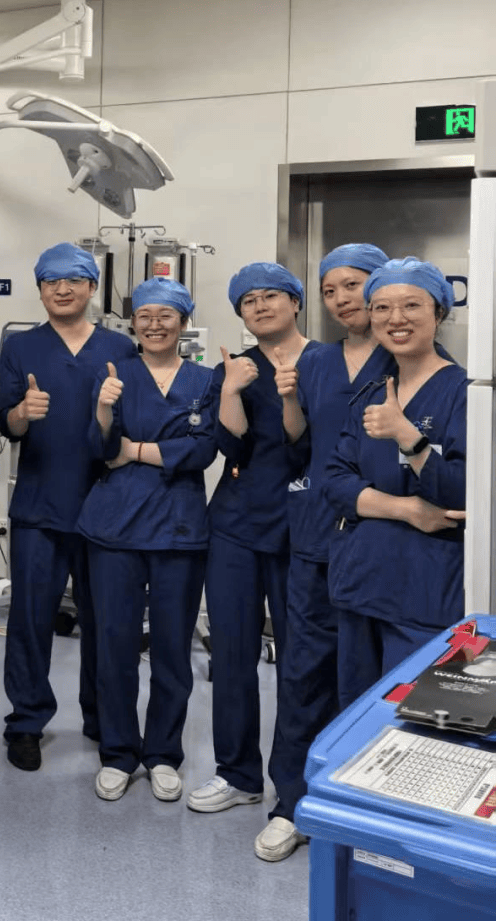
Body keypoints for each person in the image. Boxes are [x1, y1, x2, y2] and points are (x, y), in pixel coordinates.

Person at [256, 243, 390, 861]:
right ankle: (293, 802)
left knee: (372, 679)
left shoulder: (411, 357)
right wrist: (288, 397)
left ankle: (361, 809)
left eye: (352, 285)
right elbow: (299, 441)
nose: (341, 299)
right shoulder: (316, 361)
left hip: (383, 539)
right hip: (315, 533)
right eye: (330, 290)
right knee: (303, 671)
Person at [0, 242, 138, 771]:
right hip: (39, 506)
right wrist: (22, 413)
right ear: (39, 290)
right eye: (51, 281)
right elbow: (3, 422)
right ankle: (26, 722)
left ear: (92, 288)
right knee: (30, 620)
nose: (62, 289)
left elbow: (132, 420)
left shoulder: (119, 347)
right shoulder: (20, 347)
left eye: (73, 280)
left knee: (105, 622)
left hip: (104, 506)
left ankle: (102, 718)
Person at [75, 279, 216, 802]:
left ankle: (162, 754)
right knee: (113, 644)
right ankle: (117, 753)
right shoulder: (113, 374)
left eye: (166, 316)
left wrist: (134, 451)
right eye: (145, 316)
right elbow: (99, 449)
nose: (155, 325)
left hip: (178, 528)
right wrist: (104, 412)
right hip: (114, 528)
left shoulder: (205, 379)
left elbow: (204, 449)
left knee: (173, 648)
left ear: (183, 322)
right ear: (133, 322)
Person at [187, 262, 320, 816]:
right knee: (233, 654)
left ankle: (297, 786)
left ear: (296, 301)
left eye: (271, 296)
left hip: (300, 527)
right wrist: (230, 391)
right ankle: (237, 773)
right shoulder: (234, 368)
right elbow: (232, 448)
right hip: (236, 526)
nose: (260, 306)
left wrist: (289, 396)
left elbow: (307, 448)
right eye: (248, 301)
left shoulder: (324, 363)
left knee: (300, 660)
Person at [325, 258, 467, 706]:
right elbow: (334, 482)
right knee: (357, 713)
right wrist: (408, 510)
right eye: (382, 307)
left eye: (411, 305)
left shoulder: (464, 393)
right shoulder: (372, 394)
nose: (395, 318)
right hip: (362, 582)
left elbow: (463, 494)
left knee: (414, 717)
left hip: (425, 592)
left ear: (438, 312)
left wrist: (409, 437)